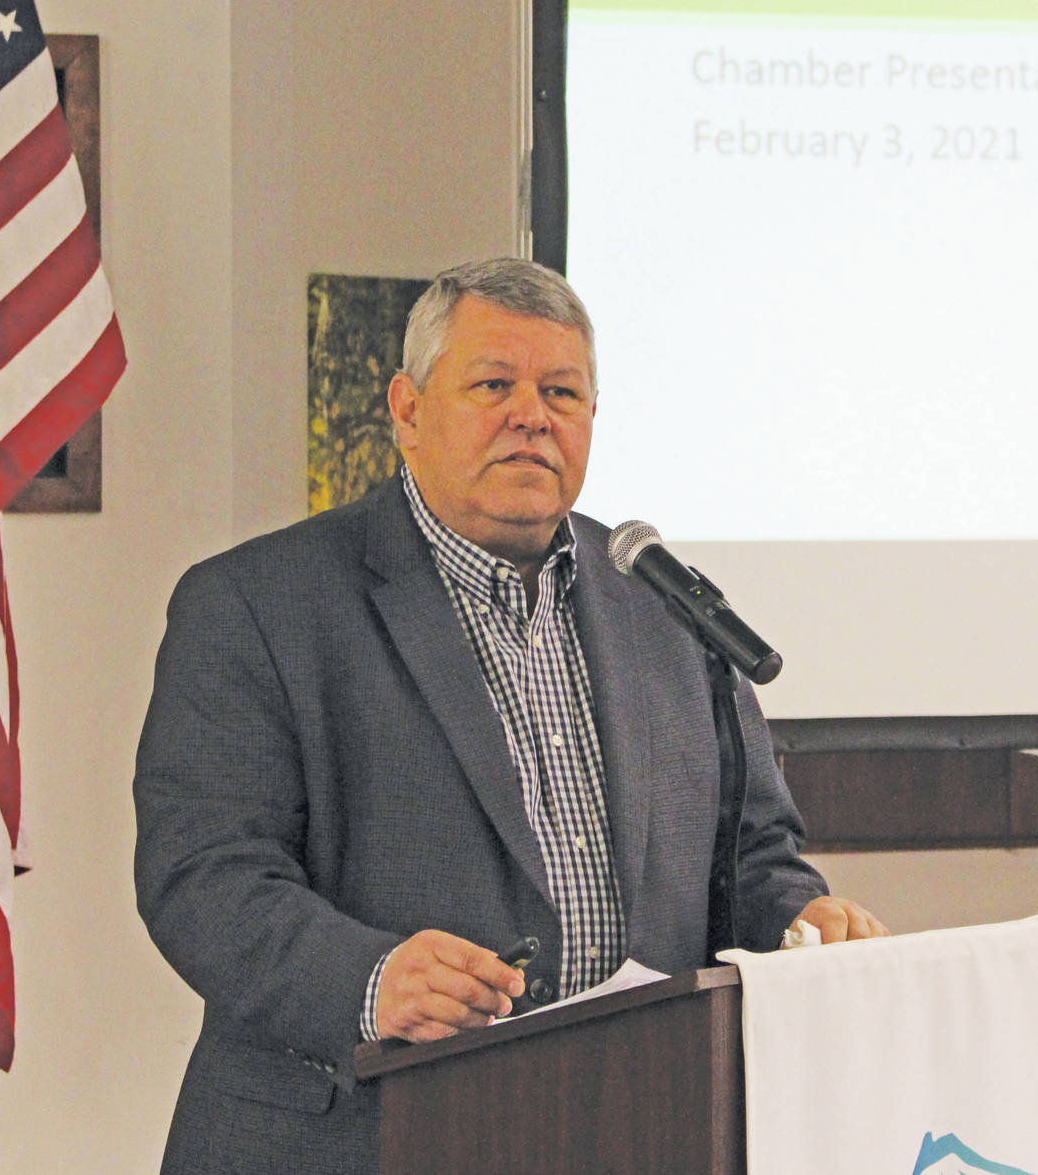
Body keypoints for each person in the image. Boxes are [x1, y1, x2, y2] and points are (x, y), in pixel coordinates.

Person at [134, 258, 884, 1174]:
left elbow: (751, 853)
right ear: (407, 411)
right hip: (354, 1137)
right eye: (494, 384)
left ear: (592, 421)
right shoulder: (257, 604)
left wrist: (802, 920)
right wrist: (370, 980)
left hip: (634, 1130)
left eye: (562, 391)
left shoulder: (665, 606)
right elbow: (203, 876)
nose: (533, 414)